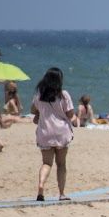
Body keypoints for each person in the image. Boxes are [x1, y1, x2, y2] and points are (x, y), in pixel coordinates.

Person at [31, 67, 75, 201]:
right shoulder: (63, 95)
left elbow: (33, 110)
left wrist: (41, 113)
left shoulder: (39, 95)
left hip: (45, 132)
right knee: (61, 164)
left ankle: (41, 185)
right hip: (61, 132)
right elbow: (70, 114)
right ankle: (61, 193)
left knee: (46, 163)